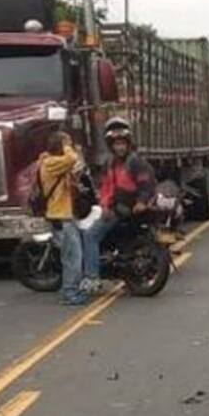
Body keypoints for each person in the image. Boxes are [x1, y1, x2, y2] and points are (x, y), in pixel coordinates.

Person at [84, 118, 156, 294]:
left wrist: (141, 201)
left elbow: (147, 183)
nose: (120, 147)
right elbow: (106, 188)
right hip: (116, 209)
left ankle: (92, 278)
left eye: (122, 143)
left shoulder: (135, 162)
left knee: (90, 236)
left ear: (128, 143)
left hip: (125, 209)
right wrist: (105, 206)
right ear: (111, 145)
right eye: (117, 144)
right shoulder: (110, 164)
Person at [35, 131, 87, 306]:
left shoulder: (55, 163)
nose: (70, 146)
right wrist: (68, 146)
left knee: (69, 255)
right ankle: (70, 292)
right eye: (67, 143)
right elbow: (71, 159)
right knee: (73, 257)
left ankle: (69, 288)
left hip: (65, 215)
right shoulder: (50, 163)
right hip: (60, 216)